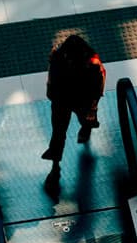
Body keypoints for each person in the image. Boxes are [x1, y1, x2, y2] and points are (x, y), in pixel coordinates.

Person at [41, 35, 106, 179]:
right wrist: (93, 106)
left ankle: (55, 163)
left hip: (63, 99)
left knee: (58, 131)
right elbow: (98, 84)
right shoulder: (91, 62)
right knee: (60, 131)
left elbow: (52, 75)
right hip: (78, 99)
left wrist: (51, 92)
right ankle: (85, 129)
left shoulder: (60, 56)